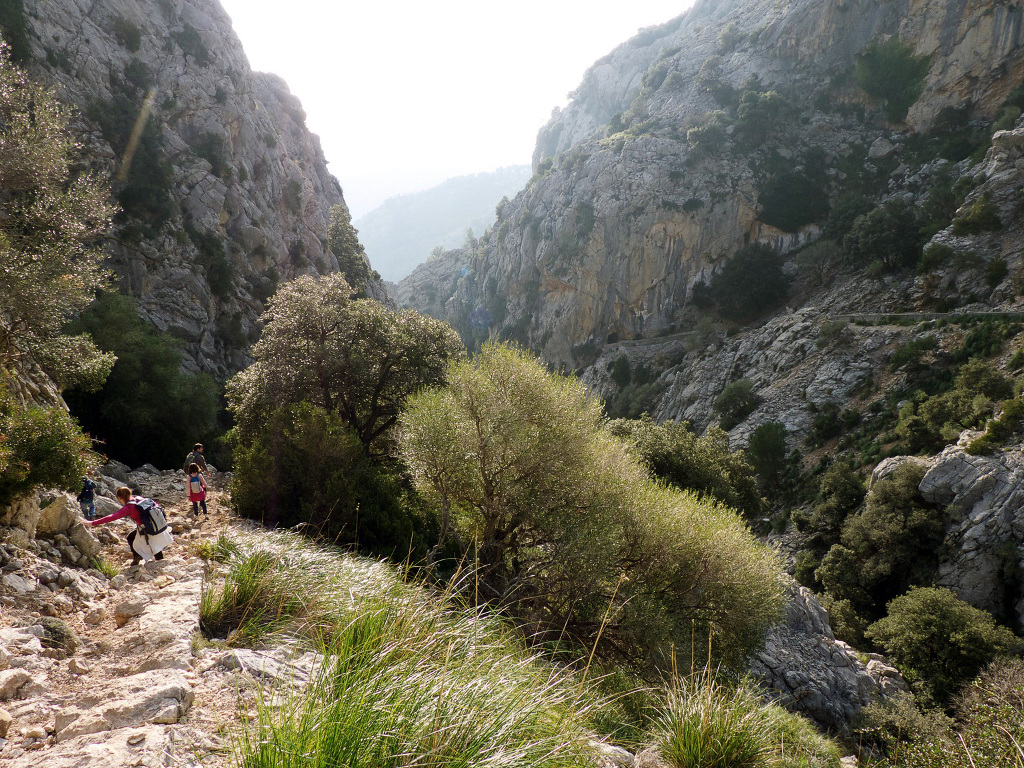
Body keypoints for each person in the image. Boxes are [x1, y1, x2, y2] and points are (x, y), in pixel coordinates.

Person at [88, 487, 173, 566]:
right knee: (153, 544)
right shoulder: (139, 499)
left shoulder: (128, 507)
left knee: (133, 539)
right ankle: (154, 561)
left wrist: (93, 523)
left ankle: (140, 558)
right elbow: (155, 504)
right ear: (130, 493)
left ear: (120, 498)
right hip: (156, 524)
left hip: (147, 529)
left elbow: (112, 517)